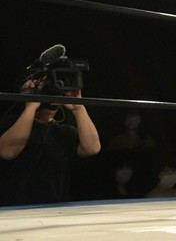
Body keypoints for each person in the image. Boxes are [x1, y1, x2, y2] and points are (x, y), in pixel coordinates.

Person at [0, 73, 101, 206]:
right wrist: (31, 106)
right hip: (14, 211)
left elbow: (92, 148)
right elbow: (7, 152)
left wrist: (78, 107)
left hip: (54, 210)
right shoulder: (11, 122)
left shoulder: (64, 132)